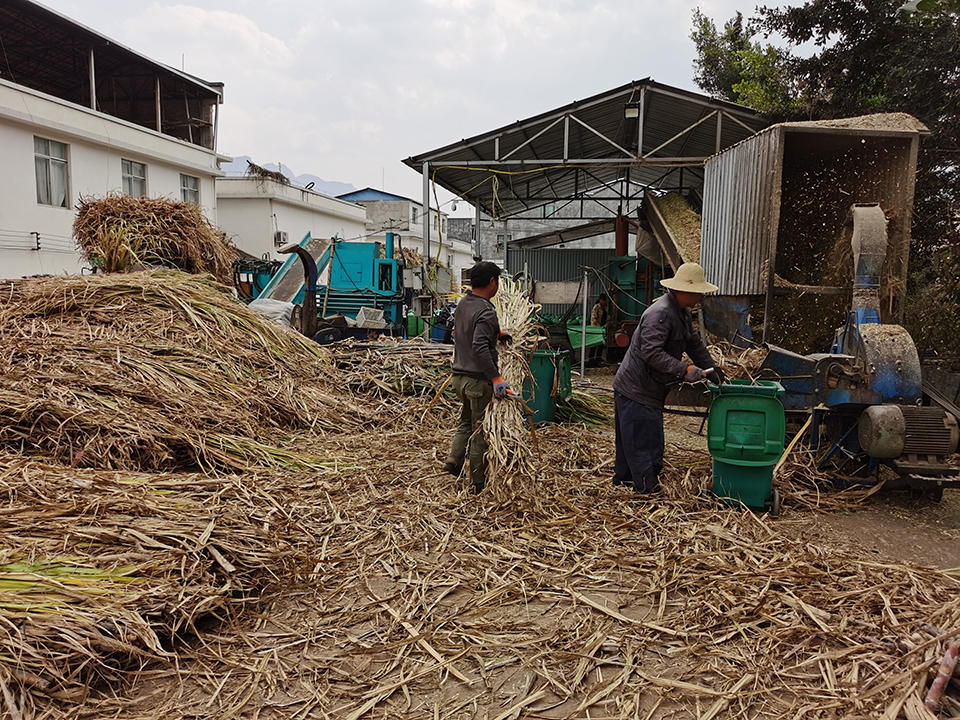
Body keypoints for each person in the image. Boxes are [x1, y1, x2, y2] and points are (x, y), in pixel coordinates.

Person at [611, 262, 724, 494]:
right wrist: (684, 370)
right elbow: (651, 352)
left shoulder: (681, 312)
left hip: (646, 388)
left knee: (635, 438)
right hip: (637, 389)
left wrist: (714, 371)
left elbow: (694, 344)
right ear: (686, 290)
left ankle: (624, 483)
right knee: (643, 441)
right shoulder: (660, 314)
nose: (701, 297)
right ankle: (645, 490)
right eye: (699, 292)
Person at [442, 262, 512, 493]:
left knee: (465, 422)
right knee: (480, 431)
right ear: (493, 281)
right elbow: (480, 347)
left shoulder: (464, 304)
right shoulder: (487, 310)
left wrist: (497, 333)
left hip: (458, 378)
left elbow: (466, 331)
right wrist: (496, 379)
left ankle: (454, 460)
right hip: (477, 382)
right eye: (498, 281)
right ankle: (477, 484)